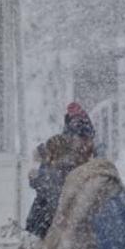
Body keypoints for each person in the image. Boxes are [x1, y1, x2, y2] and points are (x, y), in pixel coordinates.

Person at [25, 102, 95, 239]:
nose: (84, 143)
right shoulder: (62, 155)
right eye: (81, 138)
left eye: (87, 139)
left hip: (53, 223)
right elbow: (50, 188)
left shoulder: (83, 158)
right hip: (46, 223)